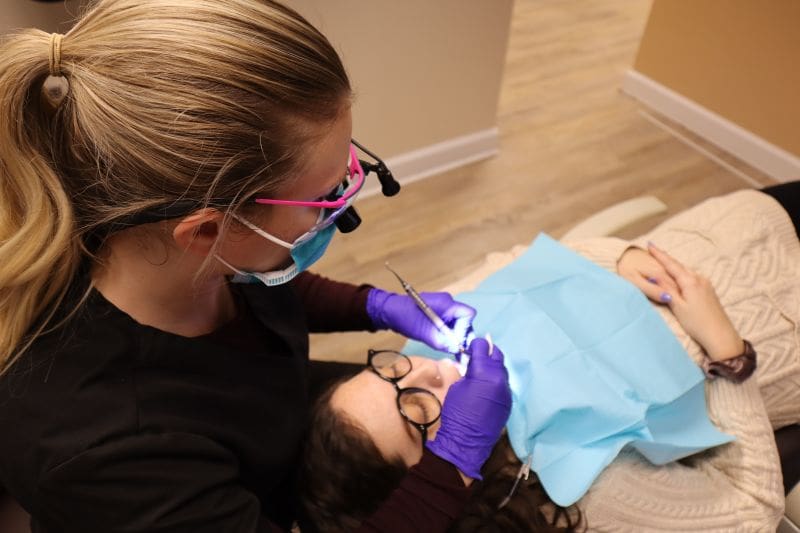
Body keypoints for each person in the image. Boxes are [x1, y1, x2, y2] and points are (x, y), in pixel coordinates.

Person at [0, 1, 513, 531]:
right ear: (204, 231)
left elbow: (266, 294)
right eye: (323, 199)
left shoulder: (167, 252)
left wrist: (375, 306)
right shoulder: (103, 448)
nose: (342, 206)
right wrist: (454, 460)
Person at [302, 185, 800, 531]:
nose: (424, 368)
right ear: (439, 485)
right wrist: (731, 358)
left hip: (742, 224)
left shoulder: (429, 338)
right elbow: (753, 509)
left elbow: (516, 258)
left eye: (387, 371)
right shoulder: (578, 490)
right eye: (417, 412)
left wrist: (618, 258)